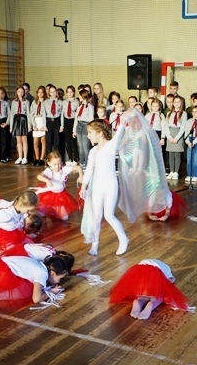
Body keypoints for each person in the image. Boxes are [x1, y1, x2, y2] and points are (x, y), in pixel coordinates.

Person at [79, 119, 130, 255]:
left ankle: (123, 239)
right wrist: (83, 186)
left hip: (110, 186)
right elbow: (89, 169)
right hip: (97, 187)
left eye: (90, 133)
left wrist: (123, 121)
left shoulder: (111, 146)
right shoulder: (93, 151)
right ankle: (95, 244)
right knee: (96, 217)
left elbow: (119, 132)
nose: (88, 136)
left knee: (108, 215)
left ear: (100, 133)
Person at [0, 252, 72, 303]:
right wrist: (51, 292)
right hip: (0, 273)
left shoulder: (39, 264)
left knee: (27, 286)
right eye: (60, 278)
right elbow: (36, 299)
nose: (59, 282)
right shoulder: (42, 274)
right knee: (26, 292)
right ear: (52, 273)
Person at [109, 259, 193, 320]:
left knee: (142, 295)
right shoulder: (165, 269)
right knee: (158, 296)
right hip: (153, 282)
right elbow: (170, 280)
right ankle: (151, 304)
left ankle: (138, 301)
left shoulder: (141, 266)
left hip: (139, 283)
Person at [31, 151, 83, 221]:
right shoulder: (49, 171)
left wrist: (81, 176)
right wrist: (47, 180)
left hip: (61, 195)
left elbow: (78, 167)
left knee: (64, 218)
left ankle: (54, 209)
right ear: (49, 163)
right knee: (41, 213)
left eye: (59, 164)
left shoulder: (63, 169)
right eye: (55, 164)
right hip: (50, 194)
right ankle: (49, 208)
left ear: (61, 162)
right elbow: (39, 176)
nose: (57, 166)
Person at [164, 96, 187, 180]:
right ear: (173, 103)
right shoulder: (169, 113)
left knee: (177, 154)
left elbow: (183, 127)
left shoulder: (184, 113)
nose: (177, 104)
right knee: (171, 154)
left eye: (178, 102)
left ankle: (176, 172)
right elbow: (166, 126)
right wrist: (169, 137)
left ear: (181, 103)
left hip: (178, 134)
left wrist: (177, 138)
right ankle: (171, 171)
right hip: (170, 134)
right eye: (175, 102)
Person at [9, 84, 31, 165]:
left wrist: (29, 125)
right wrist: (11, 126)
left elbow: (28, 114)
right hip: (16, 120)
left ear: (24, 92)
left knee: (24, 139)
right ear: (16, 92)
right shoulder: (13, 102)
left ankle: (25, 157)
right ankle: (20, 157)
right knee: (18, 140)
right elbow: (11, 114)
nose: (20, 93)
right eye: (19, 92)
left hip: (23, 120)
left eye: (22, 92)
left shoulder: (26, 102)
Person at [73, 88, 94, 168]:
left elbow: (91, 119)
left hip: (86, 125)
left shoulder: (90, 107)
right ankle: (81, 162)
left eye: (80, 95)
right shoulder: (79, 107)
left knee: (85, 147)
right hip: (79, 125)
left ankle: (87, 163)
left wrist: (90, 130)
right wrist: (74, 130)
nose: (79, 97)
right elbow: (76, 118)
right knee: (80, 147)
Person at [184, 105, 197, 183]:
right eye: (193, 112)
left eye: (196, 112)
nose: (194, 113)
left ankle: (195, 174)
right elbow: (186, 131)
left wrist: (194, 142)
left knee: (196, 158)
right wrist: (187, 141)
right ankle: (189, 174)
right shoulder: (189, 121)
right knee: (189, 158)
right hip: (189, 140)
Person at [30, 85, 48, 165]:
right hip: (36, 121)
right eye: (39, 92)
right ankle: (37, 158)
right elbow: (31, 114)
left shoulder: (46, 102)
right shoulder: (34, 102)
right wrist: (33, 125)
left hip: (43, 121)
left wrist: (44, 125)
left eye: (42, 92)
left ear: (44, 93)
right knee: (35, 142)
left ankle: (41, 158)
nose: (40, 94)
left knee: (43, 141)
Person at [62, 85, 80, 164]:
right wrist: (62, 125)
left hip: (73, 121)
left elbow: (78, 114)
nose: (69, 94)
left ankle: (75, 159)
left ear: (74, 93)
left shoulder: (76, 102)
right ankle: (70, 158)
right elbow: (62, 114)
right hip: (66, 121)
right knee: (68, 141)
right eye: (68, 92)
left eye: (71, 92)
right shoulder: (64, 102)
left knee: (73, 141)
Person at [44, 85, 62, 155]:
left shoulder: (60, 102)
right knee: (48, 140)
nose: (53, 93)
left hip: (57, 121)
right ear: (49, 93)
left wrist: (62, 125)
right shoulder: (46, 102)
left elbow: (61, 114)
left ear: (56, 92)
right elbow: (44, 114)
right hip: (49, 121)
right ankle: (48, 158)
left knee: (57, 140)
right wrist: (44, 125)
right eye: (51, 92)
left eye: (54, 91)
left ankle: (56, 157)